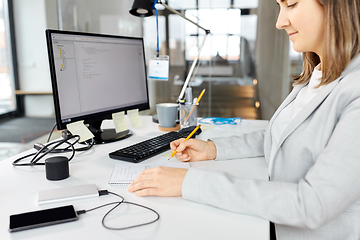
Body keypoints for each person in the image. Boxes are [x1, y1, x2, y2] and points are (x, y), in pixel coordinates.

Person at [128, 0, 360, 239]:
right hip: (274, 224)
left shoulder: (355, 92)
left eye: (291, 4)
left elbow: (313, 204)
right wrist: (212, 149)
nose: (280, 22)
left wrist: (190, 182)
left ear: (336, 6)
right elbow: (280, 135)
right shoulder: (317, 74)